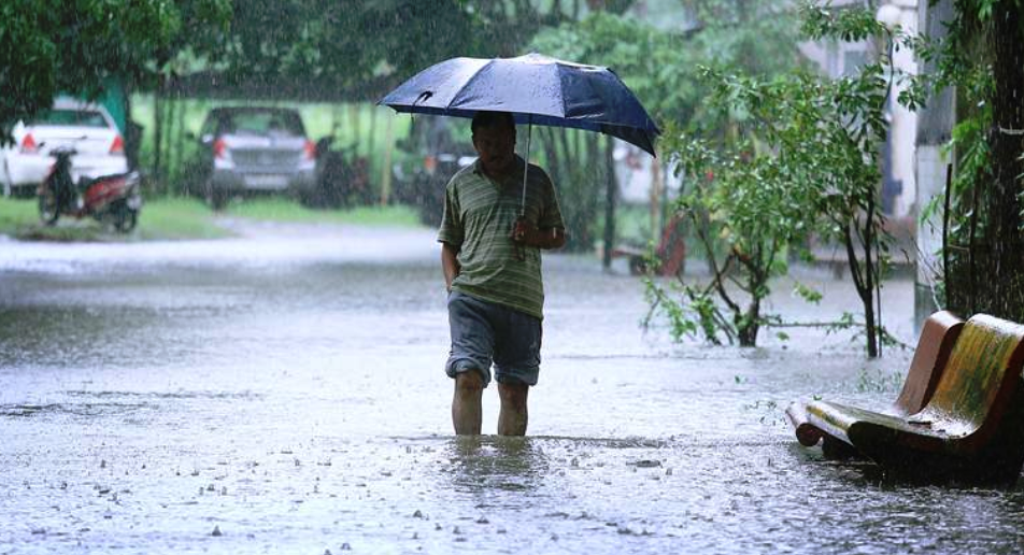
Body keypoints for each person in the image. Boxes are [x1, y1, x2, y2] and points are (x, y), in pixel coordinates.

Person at [438, 111, 566, 436]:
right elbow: (449, 244)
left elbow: (558, 236)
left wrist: (533, 236)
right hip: (471, 298)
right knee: (467, 378)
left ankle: (509, 472)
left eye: (501, 143)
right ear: (474, 143)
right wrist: (453, 290)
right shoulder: (460, 184)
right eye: (486, 143)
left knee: (513, 392)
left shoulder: (536, 181)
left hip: (522, 302)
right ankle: (468, 465)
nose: (494, 150)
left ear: (514, 139)